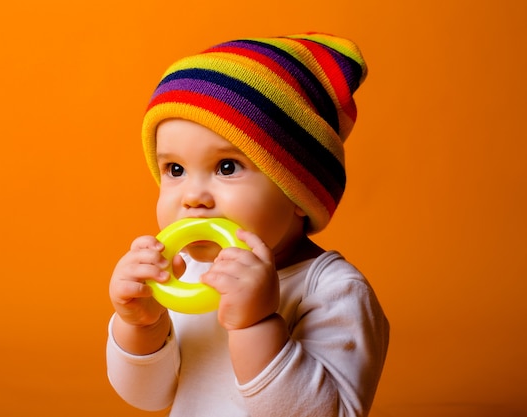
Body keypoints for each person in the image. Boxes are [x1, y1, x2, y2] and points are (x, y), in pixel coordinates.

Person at [106, 32, 389, 417]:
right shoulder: (189, 278)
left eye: (227, 167)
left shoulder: (334, 291)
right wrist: (141, 326)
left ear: (297, 192)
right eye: (175, 169)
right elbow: (149, 397)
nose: (192, 197)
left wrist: (256, 324)